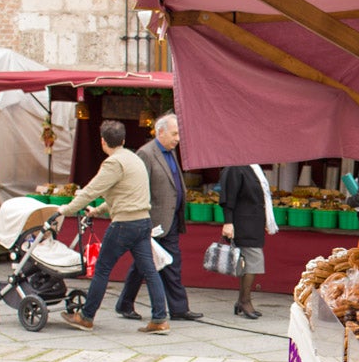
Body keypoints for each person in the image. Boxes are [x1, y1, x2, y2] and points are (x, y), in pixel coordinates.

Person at [58, 120, 169, 334]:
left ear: (102, 141)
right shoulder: (133, 158)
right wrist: (98, 211)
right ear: (124, 139)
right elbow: (124, 194)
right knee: (150, 271)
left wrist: (67, 210)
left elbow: (91, 191)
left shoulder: (113, 163)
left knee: (102, 269)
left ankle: (86, 316)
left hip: (124, 224)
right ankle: (159, 319)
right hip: (143, 221)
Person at [114, 113, 203, 321]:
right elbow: (139, 187)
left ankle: (179, 308)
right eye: (174, 133)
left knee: (171, 263)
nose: (178, 138)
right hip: (152, 221)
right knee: (143, 265)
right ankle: (125, 304)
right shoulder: (146, 154)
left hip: (170, 220)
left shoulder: (170, 152)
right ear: (160, 132)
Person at [218, 164, 279, 319]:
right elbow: (228, 197)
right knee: (254, 262)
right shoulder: (235, 167)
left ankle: (241, 301)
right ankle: (245, 301)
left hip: (254, 223)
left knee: (248, 264)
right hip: (242, 223)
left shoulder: (254, 168)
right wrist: (228, 222)